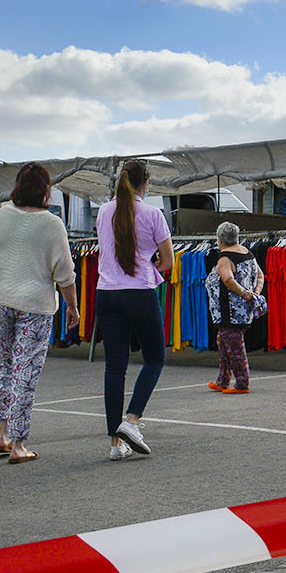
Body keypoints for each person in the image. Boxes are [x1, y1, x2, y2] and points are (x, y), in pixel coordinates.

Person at [0, 163, 77, 464]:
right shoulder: (51, 224)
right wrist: (73, 306)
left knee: (7, 364)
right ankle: (19, 444)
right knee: (26, 370)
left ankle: (2, 434)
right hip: (35, 305)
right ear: (46, 190)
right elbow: (64, 273)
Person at [96, 158, 174, 462]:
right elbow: (168, 260)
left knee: (114, 367)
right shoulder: (153, 214)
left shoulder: (104, 211)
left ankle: (116, 443)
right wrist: (151, 268)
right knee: (154, 358)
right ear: (146, 183)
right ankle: (131, 421)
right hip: (138, 293)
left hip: (107, 292)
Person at [208, 221, 264, 394]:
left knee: (235, 345)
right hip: (241, 310)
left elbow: (227, 279)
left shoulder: (225, 258)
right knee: (223, 341)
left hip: (230, 312)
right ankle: (223, 380)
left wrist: (244, 293)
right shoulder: (248, 253)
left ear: (219, 240)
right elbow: (260, 275)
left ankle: (242, 383)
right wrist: (254, 293)